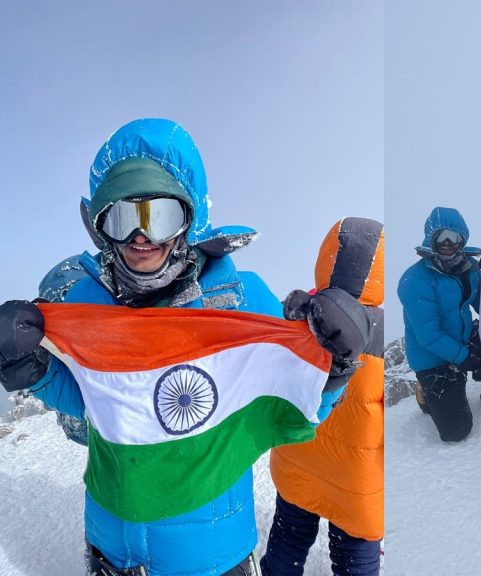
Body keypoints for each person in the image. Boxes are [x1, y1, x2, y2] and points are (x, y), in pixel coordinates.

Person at [0, 118, 370, 575]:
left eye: (161, 215)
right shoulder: (82, 300)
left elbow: (295, 407)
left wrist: (330, 369)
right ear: (99, 225)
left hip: (212, 559)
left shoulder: (241, 303)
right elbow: (96, 406)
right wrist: (35, 371)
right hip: (111, 550)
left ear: (190, 216)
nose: (141, 235)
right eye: (122, 216)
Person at [260, 217, 384, 576]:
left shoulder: (295, 314)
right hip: (355, 483)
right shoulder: (382, 333)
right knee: (354, 559)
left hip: (299, 460)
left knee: (289, 540)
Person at [397, 206, 481, 443]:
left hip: (463, 339)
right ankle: (425, 394)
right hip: (433, 359)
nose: (449, 244)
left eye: (455, 238)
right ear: (431, 239)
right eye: (442, 238)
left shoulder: (470, 271)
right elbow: (429, 335)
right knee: (456, 431)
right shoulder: (415, 280)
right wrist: (466, 358)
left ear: (463, 239)